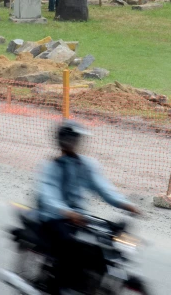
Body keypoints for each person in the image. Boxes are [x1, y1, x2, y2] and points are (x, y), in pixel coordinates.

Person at [37, 121, 141, 294]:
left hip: (79, 217)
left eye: (78, 139)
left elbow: (103, 188)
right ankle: (60, 287)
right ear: (63, 141)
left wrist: (125, 204)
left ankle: (92, 281)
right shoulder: (52, 166)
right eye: (73, 139)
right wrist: (65, 211)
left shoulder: (87, 164)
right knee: (70, 245)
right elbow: (48, 194)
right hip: (54, 217)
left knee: (110, 237)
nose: (77, 143)